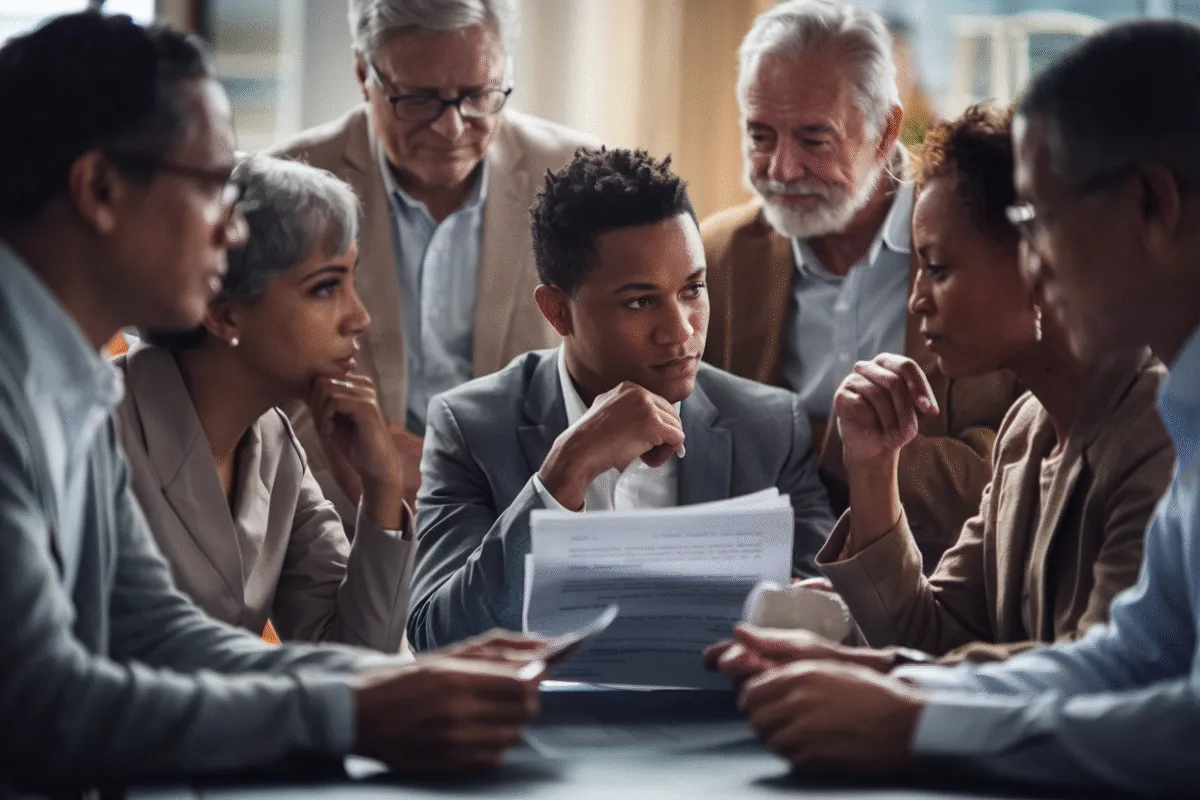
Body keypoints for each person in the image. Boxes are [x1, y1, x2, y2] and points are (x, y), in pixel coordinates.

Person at [0, 13, 544, 794]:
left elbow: (154, 627)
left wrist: (388, 683)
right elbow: (39, 707)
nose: (233, 229)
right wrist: (350, 712)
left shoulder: (72, 378)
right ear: (101, 188)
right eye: (215, 185)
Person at [702, 20, 1200, 792]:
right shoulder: (1079, 423)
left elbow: (1165, 715)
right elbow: (1127, 658)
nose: (1037, 263)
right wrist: (890, 679)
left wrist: (907, 711)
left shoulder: (1161, 430)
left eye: (1043, 224)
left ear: (1154, 205)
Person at [706, 103, 1172, 674]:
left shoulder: (1162, 435)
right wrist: (874, 469)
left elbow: (1107, 672)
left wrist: (859, 671)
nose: (916, 299)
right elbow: (934, 632)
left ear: (1040, 263)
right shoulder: (1027, 431)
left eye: (939, 269)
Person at [406, 148, 836, 651]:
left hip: (715, 719)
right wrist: (565, 471)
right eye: (639, 301)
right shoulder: (472, 426)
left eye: (693, 290)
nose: (680, 331)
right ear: (557, 311)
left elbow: (825, 623)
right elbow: (438, 637)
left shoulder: (769, 425)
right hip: (545, 723)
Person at [701, 0, 1021, 565]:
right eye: (760, 136)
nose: (780, 170)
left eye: (813, 139)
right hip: (760, 578)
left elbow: (1013, 475)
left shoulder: (986, 247)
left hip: (947, 582)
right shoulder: (716, 255)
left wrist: (829, 445)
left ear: (885, 129)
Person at [271, 0, 599, 518]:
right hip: (338, 517)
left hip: (532, 508)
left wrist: (461, 471)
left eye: (477, 96)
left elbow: (618, 365)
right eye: (419, 100)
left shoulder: (582, 177)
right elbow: (262, 370)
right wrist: (370, 461)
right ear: (363, 73)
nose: (452, 128)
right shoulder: (290, 181)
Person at [114, 154, 414, 650]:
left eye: (351, 281)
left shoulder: (274, 441)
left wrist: (381, 488)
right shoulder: (99, 432)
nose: (358, 317)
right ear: (222, 314)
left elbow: (356, 660)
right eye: (326, 287)